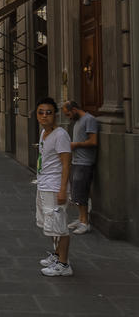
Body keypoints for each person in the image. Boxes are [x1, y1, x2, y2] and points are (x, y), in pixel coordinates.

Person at [36, 97, 73, 277]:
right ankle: (57, 255)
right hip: (44, 184)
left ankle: (64, 265)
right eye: (41, 113)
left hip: (55, 186)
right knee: (49, 224)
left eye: (49, 113)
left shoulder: (61, 135)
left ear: (55, 115)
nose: (44, 116)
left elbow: (66, 164)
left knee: (60, 225)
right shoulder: (43, 133)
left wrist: (62, 189)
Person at [62, 99, 99, 234]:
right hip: (77, 161)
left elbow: (93, 141)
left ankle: (85, 222)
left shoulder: (89, 120)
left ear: (74, 110)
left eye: (68, 114)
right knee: (76, 193)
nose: (68, 117)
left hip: (85, 162)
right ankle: (80, 218)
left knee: (81, 193)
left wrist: (75, 145)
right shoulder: (78, 121)